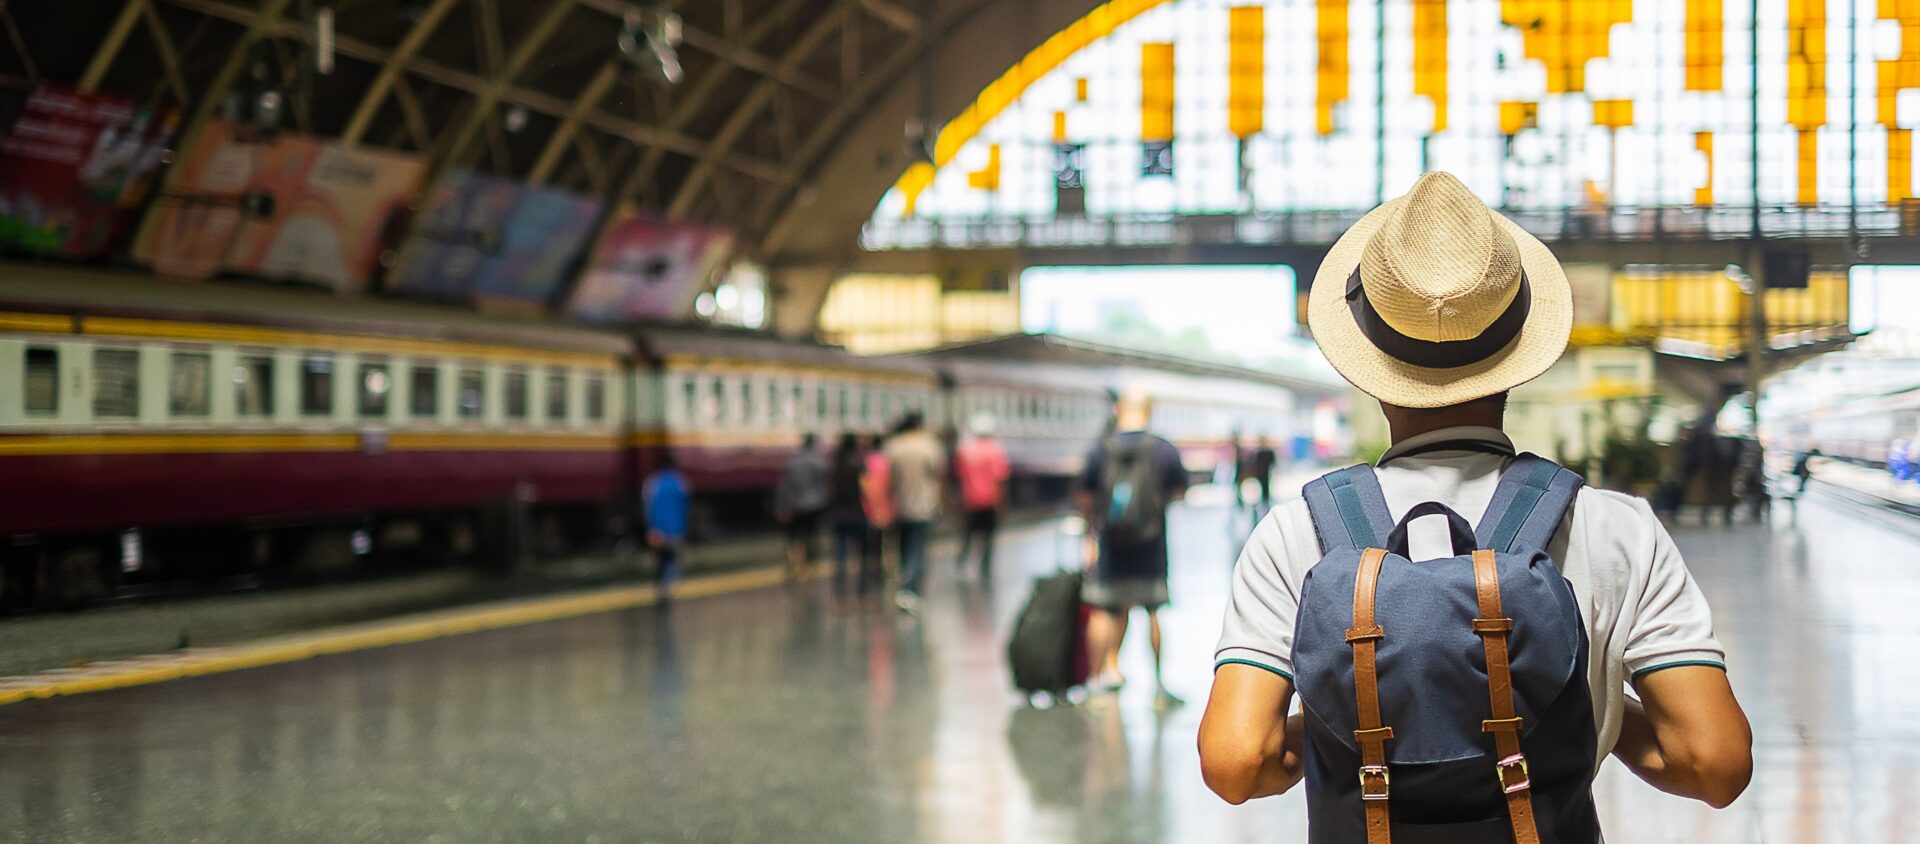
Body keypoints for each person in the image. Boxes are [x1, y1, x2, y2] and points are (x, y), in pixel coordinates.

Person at [1199, 173, 1751, 833]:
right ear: (1518, 348)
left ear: (1369, 355)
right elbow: (1713, 762)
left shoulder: (1297, 534)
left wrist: (1347, 715)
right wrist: (1569, 703)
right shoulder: (1615, 528)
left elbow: (1236, 761)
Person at [1076, 388, 1189, 707]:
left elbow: (1084, 497)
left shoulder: (1100, 449)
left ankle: (1096, 681)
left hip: (1110, 543)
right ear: (1149, 411)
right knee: (1153, 612)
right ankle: (1158, 685)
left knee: (1104, 610)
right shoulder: (1163, 449)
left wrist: (1091, 535)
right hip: (1151, 545)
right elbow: (1180, 491)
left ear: (1119, 410)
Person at [883, 411, 946, 614]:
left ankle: (905, 584)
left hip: (899, 505)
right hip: (924, 505)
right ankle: (910, 590)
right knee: (917, 549)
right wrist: (940, 501)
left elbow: (886, 477)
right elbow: (939, 474)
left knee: (903, 545)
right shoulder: (929, 445)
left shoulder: (893, 446)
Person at [952, 412, 1011, 581]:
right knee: (988, 536)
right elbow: (1000, 479)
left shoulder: (965, 450)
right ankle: (985, 568)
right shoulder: (996, 450)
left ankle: (962, 563)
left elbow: (958, 476)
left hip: (969, 501)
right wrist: (1002, 502)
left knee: (968, 534)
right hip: (989, 501)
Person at [775, 432, 830, 581]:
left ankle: (794, 563)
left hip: (794, 504)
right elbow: (824, 483)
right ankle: (804, 565)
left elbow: (784, 485)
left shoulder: (793, 461)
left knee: (794, 536)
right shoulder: (817, 461)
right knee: (807, 536)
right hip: (813, 505)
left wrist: (782, 505)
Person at [826, 432, 873, 600]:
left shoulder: (835, 466)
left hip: (839, 514)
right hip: (857, 513)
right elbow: (866, 490)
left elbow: (830, 491)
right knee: (862, 553)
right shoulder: (858, 466)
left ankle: (840, 589)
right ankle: (861, 587)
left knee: (840, 553)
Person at [641, 453, 690, 604]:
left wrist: (650, 528)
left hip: (657, 530)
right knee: (673, 559)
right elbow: (684, 508)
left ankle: (659, 588)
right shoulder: (680, 482)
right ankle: (670, 588)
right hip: (675, 530)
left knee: (660, 560)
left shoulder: (652, 483)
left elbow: (647, 508)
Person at [862, 432, 895, 592]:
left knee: (872, 544)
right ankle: (886, 568)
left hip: (869, 508)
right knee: (886, 541)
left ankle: (874, 570)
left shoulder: (866, 461)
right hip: (885, 507)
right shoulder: (886, 462)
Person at [1247, 434, 1278, 515]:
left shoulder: (1265, 452)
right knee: (1262, 488)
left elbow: (1273, 463)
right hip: (1261, 474)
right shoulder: (1259, 452)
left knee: (1266, 488)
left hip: (1265, 474)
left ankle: (1265, 501)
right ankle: (1263, 501)